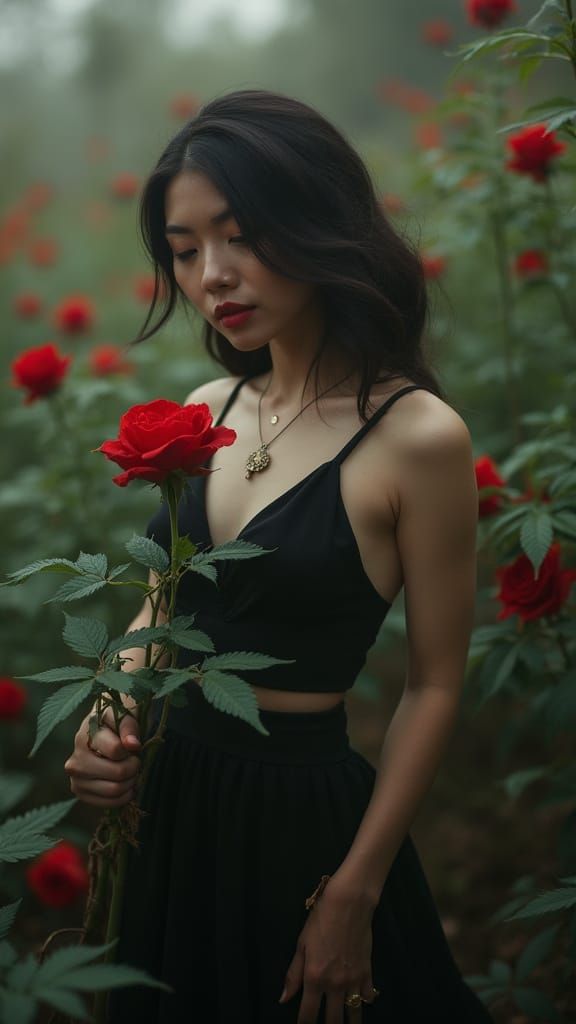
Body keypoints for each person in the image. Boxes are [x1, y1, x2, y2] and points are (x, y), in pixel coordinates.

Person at [64, 89, 493, 1023]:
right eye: (185, 251)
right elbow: (162, 606)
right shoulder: (206, 408)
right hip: (173, 798)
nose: (213, 274)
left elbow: (433, 685)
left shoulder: (416, 436)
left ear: (317, 219)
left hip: (303, 817)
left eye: (241, 235)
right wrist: (105, 713)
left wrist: (355, 890)